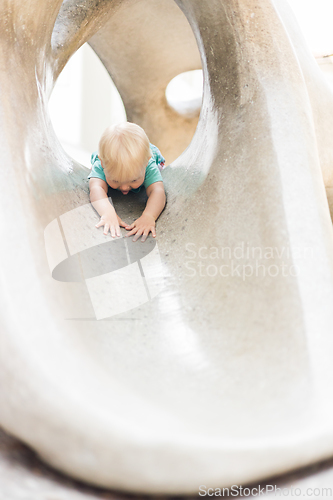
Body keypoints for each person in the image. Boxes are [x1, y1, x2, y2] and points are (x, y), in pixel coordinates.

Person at [88, 122, 166, 242]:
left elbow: (157, 191)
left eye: (134, 180)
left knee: (159, 173)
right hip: (108, 160)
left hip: (150, 156)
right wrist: (107, 212)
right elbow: (96, 189)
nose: (124, 188)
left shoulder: (147, 164)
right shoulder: (103, 163)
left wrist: (149, 216)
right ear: (103, 164)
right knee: (94, 176)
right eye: (115, 180)